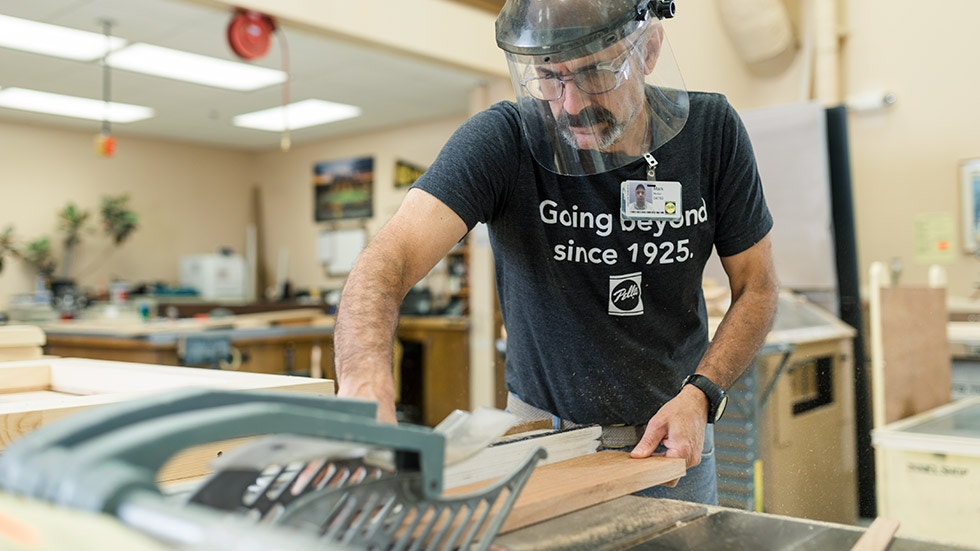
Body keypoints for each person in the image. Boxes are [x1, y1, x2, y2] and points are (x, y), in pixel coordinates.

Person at [334, 0, 778, 505]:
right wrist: (363, 384)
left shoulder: (712, 132)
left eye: (595, 73)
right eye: (549, 77)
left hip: (671, 439)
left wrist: (703, 393)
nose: (569, 104)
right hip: (542, 437)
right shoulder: (504, 139)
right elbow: (387, 259)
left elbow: (757, 287)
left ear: (650, 49)